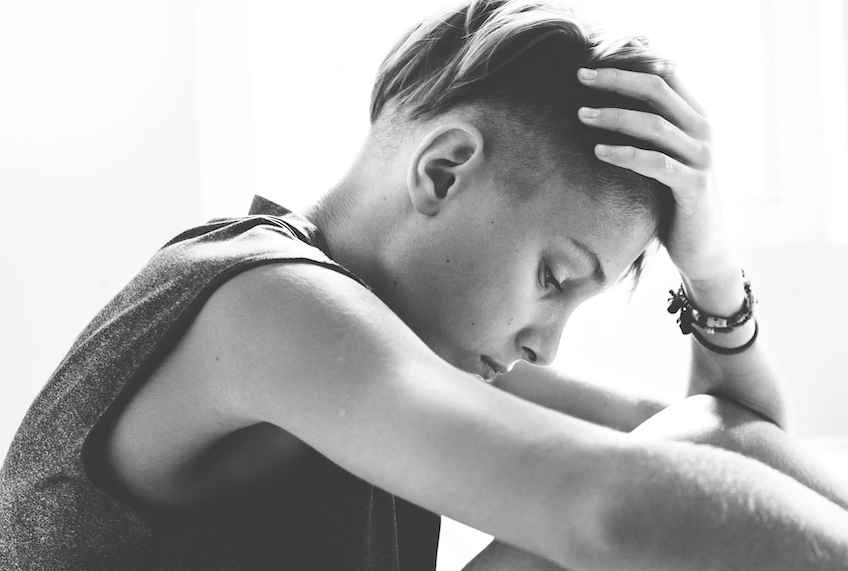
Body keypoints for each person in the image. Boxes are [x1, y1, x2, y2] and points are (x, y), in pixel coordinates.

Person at [2, 0, 848, 569]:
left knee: (697, 450)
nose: (544, 342)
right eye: (554, 277)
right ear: (444, 172)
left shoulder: (406, 332)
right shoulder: (262, 303)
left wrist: (710, 263)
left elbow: (740, 434)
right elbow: (610, 509)